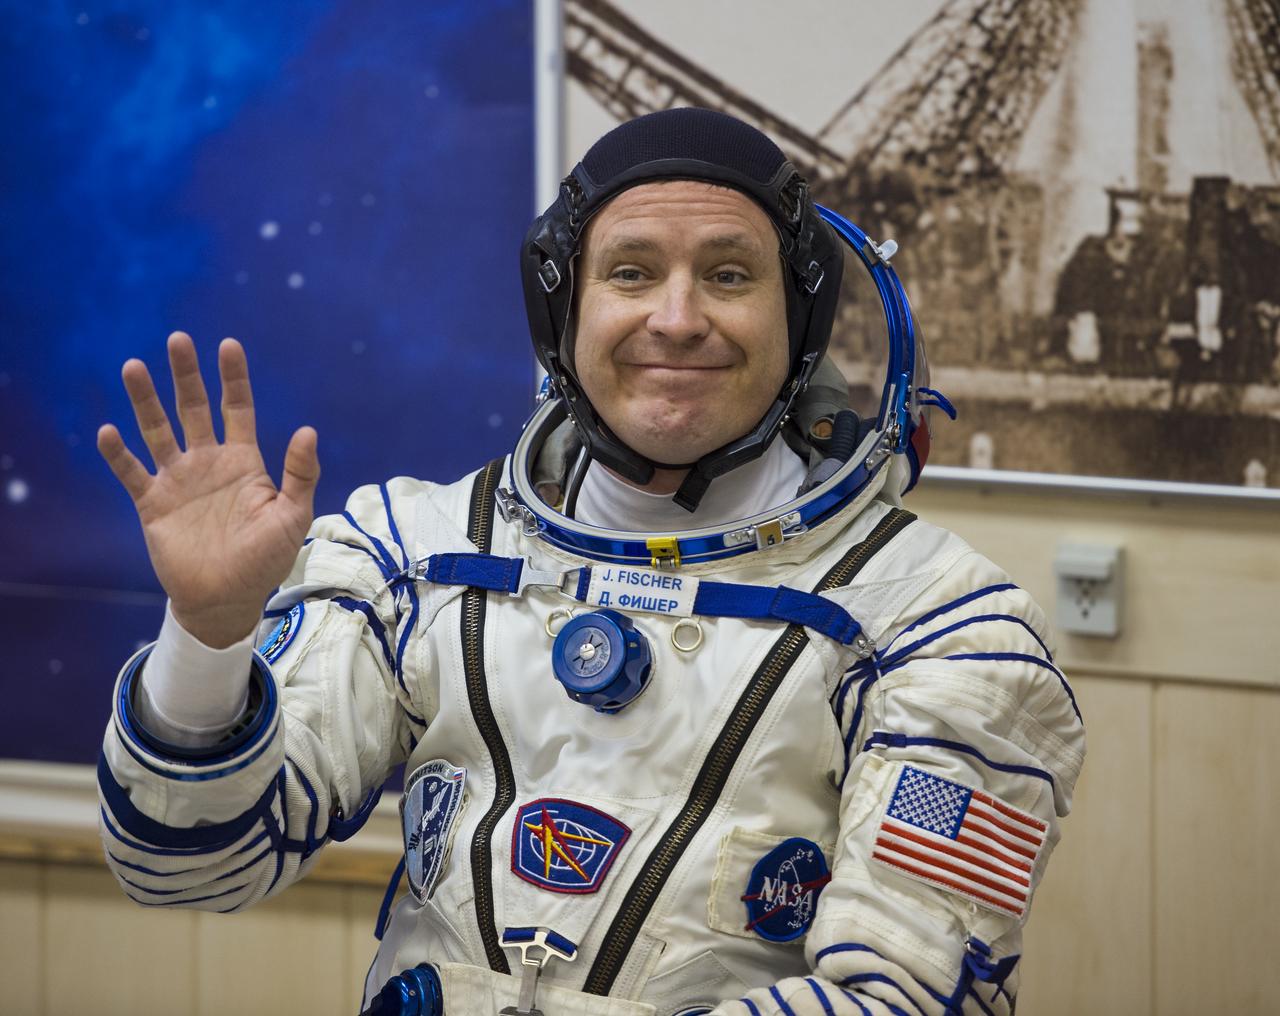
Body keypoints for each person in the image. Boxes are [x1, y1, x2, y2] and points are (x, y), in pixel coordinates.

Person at [96, 108, 1085, 1016]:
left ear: (801, 322)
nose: (676, 316)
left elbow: (903, 999)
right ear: (561, 313)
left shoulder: (937, 630)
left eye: (730, 275)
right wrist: (207, 638)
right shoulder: (411, 558)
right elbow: (192, 866)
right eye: (630, 271)